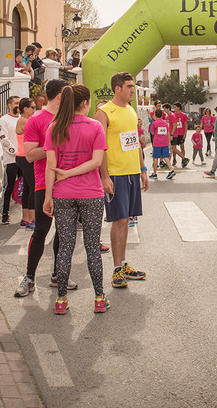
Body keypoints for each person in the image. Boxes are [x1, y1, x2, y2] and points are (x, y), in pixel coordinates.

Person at [44, 84, 110, 314]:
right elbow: (96, 161)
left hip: (62, 194)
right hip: (91, 193)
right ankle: (99, 299)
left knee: (65, 247)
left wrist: (48, 195)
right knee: (92, 247)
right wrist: (72, 172)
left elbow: (50, 167)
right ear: (84, 103)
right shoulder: (95, 127)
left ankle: (61, 300)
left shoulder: (54, 127)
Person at [14, 78, 72, 298]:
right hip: (43, 183)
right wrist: (52, 146)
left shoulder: (70, 118)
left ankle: (58, 274)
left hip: (68, 183)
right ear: (60, 95)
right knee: (41, 231)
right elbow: (29, 154)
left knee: (64, 232)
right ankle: (29, 277)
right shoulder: (36, 120)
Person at [96, 72, 148, 290]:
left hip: (132, 172)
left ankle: (124, 264)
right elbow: (99, 147)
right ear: (117, 88)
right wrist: (105, 176)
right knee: (118, 220)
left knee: (126, 219)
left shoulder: (130, 109)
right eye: (128, 87)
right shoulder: (103, 112)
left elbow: (134, 142)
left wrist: (143, 169)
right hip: (115, 175)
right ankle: (117, 269)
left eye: (133, 87)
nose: (132, 91)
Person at [4, 97, 34, 225]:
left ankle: (26, 218)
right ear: (25, 109)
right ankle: (32, 219)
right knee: (33, 187)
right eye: (32, 107)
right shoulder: (24, 121)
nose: (35, 110)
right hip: (25, 157)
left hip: (23, 157)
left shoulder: (24, 120)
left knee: (28, 187)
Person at [0, 96, 20, 193]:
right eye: (16, 103)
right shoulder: (3, 120)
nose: (18, 105)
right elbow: (4, 139)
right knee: (9, 186)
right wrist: (15, 152)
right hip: (11, 160)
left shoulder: (22, 119)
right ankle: (5, 208)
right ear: (9, 106)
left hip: (23, 159)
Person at [149, 109, 171, 180]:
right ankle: (171, 170)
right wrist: (169, 142)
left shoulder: (154, 123)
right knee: (165, 157)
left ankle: (155, 173)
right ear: (162, 115)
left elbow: (152, 132)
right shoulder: (165, 123)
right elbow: (168, 132)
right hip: (165, 142)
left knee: (155, 158)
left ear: (155, 115)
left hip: (157, 143)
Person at [169, 102, 189, 168]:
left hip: (181, 133)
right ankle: (174, 159)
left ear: (178, 107)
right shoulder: (173, 115)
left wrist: (185, 133)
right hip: (175, 133)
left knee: (182, 147)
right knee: (174, 148)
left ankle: (183, 160)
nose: (174, 108)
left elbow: (186, 125)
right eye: (174, 107)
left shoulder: (183, 115)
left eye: (175, 107)